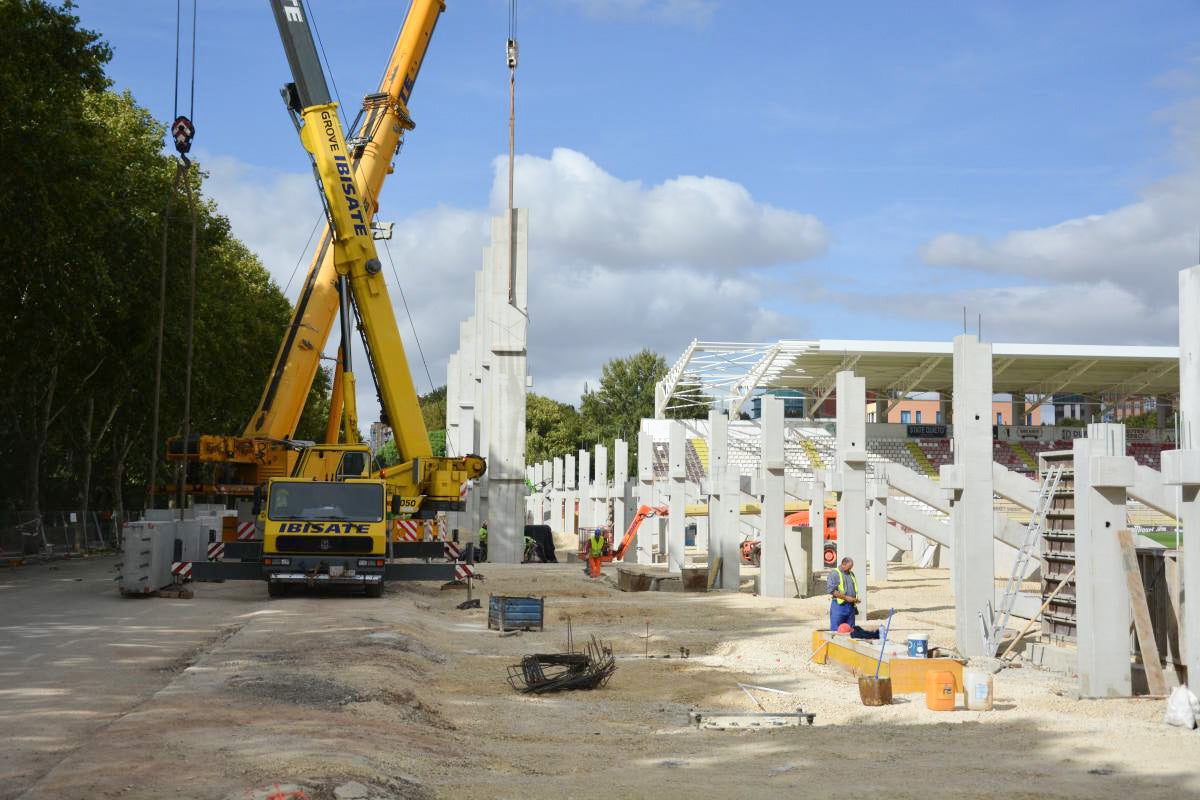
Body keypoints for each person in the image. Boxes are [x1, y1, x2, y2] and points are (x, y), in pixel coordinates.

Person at [828, 556, 860, 631]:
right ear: (843, 564)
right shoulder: (834, 574)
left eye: (851, 567)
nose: (850, 569)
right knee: (836, 630)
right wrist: (846, 598)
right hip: (839, 606)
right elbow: (831, 590)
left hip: (851, 607)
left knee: (850, 630)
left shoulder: (851, 574)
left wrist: (855, 599)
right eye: (848, 567)